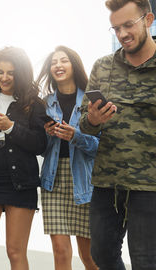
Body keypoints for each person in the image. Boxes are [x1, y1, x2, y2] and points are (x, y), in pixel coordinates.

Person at [79, 0, 156, 268]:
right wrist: (92, 119)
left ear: (148, 20)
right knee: (100, 254)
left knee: (145, 261)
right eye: (115, 29)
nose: (122, 34)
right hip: (106, 183)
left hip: (149, 185)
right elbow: (83, 123)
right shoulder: (102, 66)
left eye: (128, 25)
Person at [0, 47, 47, 270]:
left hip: (21, 184)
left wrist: (11, 127)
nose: (4, 77)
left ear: (20, 73)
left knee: (15, 251)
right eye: (0, 72)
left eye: (10, 72)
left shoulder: (34, 104)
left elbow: (41, 145)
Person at [37, 46, 99, 270]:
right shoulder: (45, 103)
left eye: (64, 60)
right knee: (61, 252)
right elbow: (41, 150)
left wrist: (76, 136)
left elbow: (101, 147)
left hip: (85, 179)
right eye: (54, 62)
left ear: (74, 65)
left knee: (89, 255)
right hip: (53, 181)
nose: (58, 65)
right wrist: (46, 134)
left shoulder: (90, 102)